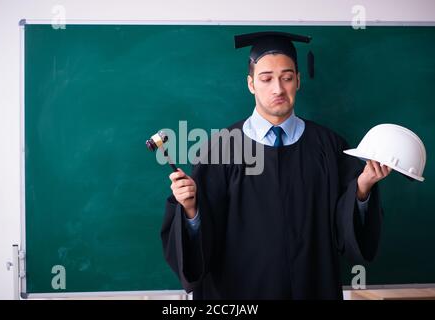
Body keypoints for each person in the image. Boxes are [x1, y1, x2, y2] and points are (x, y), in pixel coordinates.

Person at [161, 31, 392, 299]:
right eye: (266, 78)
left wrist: (361, 190)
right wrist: (190, 209)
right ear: (251, 84)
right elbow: (201, 247)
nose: (278, 89)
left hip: (311, 288)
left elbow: (346, 234)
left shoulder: (329, 147)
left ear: (298, 81)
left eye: (287, 77)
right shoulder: (219, 150)